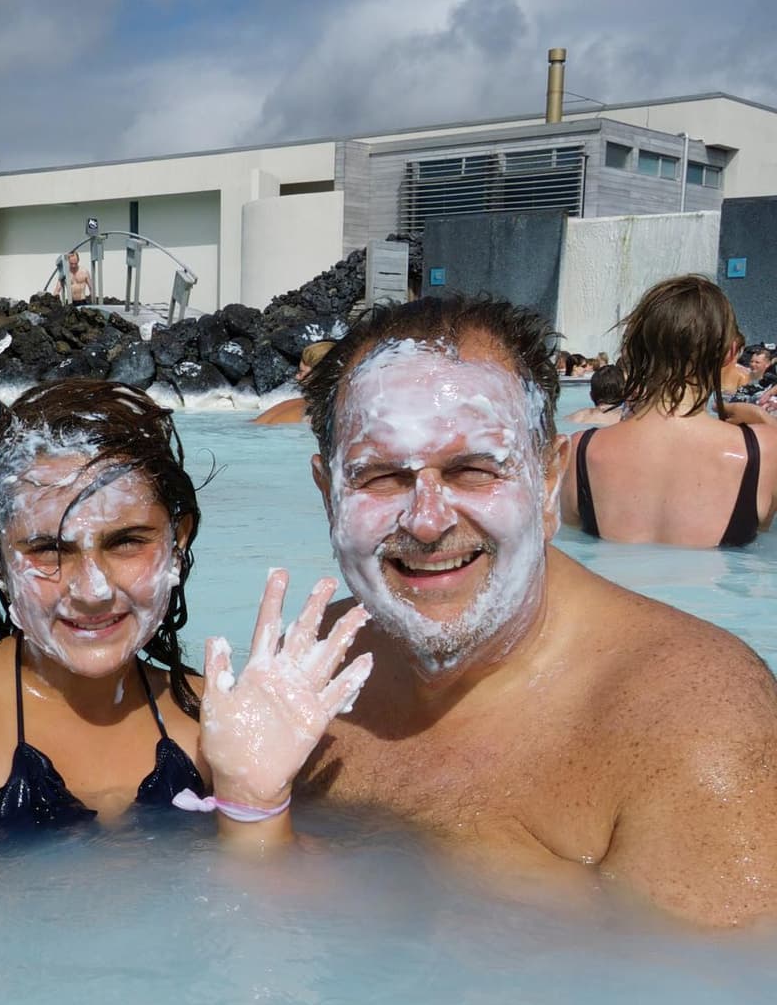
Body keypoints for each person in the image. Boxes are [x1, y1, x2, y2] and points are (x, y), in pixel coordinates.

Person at [300, 293, 777, 926]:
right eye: (380, 476)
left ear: (548, 482)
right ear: (328, 494)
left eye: (473, 470)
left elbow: (718, 1003)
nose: (428, 520)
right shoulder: (316, 666)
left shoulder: (695, 725)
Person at [0, 379, 372, 842]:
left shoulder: (219, 722)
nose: (92, 590)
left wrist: (256, 804)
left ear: (176, 540)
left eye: (126, 541)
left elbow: (271, 908)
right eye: (47, 549)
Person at [561, 275, 777, 547]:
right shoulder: (762, 453)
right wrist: (762, 418)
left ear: (634, 349)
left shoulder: (580, 451)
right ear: (731, 353)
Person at [253, 341, 336, 426]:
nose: (297, 377)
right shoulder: (319, 415)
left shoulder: (288, 404)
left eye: (301, 372)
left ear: (319, 375)